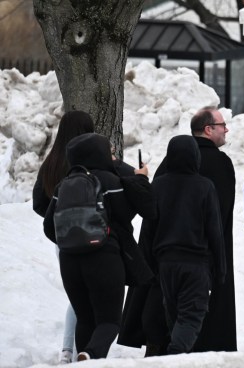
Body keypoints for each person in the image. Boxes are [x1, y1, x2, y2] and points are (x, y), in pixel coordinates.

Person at [43, 132, 154, 361]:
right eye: (110, 153)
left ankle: (81, 359)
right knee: (109, 321)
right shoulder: (111, 181)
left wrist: (72, 242)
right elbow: (130, 212)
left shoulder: (64, 185)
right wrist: (140, 180)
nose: (113, 158)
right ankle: (90, 355)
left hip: (69, 261)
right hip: (104, 258)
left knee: (85, 319)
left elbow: (48, 226)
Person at [155, 106, 237, 352]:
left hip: (166, 258)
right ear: (209, 129)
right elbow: (219, 220)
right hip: (200, 259)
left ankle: (173, 349)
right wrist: (219, 266)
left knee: (173, 315)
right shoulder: (220, 164)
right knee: (196, 315)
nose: (227, 130)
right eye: (223, 126)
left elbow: (152, 214)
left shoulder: (168, 165)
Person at [141, 135, 226, 354]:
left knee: (174, 317)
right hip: (195, 264)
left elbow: (148, 230)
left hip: (165, 265)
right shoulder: (204, 187)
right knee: (190, 317)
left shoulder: (158, 186)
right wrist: (220, 269)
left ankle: (173, 357)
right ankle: (174, 357)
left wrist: (149, 267)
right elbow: (215, 232)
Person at [32, 110, 94, 364]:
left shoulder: (52, 162)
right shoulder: (87, 163)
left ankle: (69, 349)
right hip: (91, 236)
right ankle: (80, 348)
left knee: (76, 294)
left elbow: (38, 203)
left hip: (62, 240)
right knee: (87, 294)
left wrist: (57, 220)